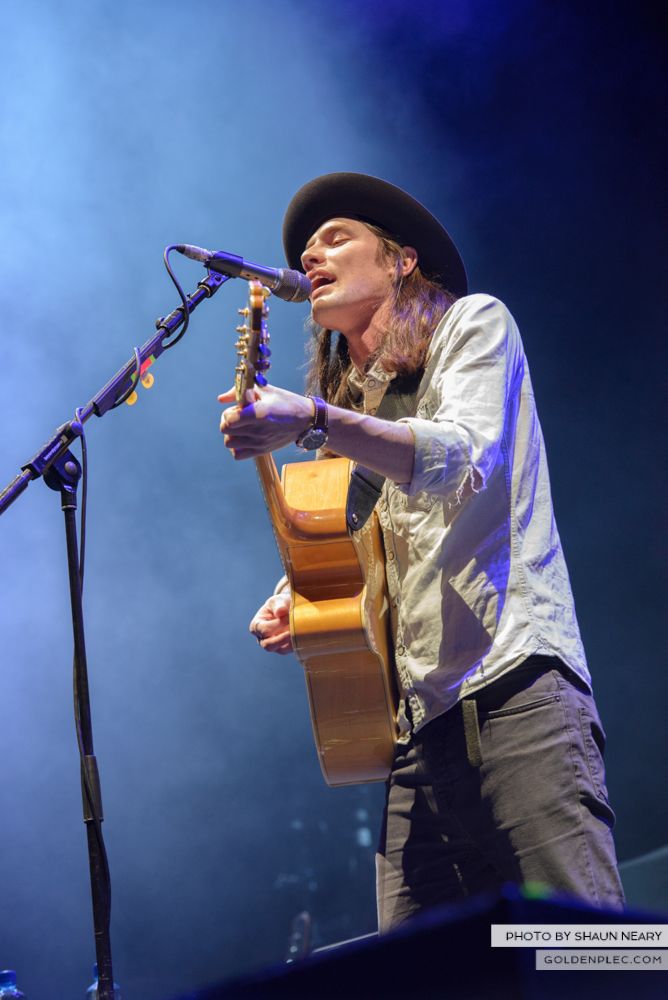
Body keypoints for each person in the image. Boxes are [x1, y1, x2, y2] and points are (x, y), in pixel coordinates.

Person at [218, 172, 625, 931]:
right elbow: (369, 554)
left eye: (336, 238)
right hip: (413, 737)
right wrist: (302, 595)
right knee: (416, 974)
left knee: (589, 953)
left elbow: (459, 456)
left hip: (514, 695)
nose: (310, 257)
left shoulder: (475, 324)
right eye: (306, 251)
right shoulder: (354, 416)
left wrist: (313, 419)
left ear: (402, 260)